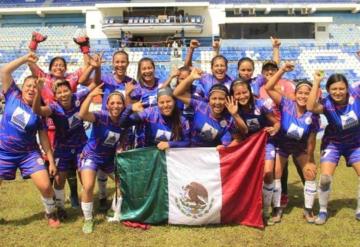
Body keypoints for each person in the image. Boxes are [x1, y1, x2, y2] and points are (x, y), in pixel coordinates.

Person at [27, 31, 94, 208]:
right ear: (50, 68)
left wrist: (84, 48)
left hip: (69, 128)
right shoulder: (44, 78)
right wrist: (34, 44)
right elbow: (30, 63)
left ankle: (73, 195)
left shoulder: (70, 82)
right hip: (49, 128)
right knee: (54, 165)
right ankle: (54, 199)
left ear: (65, 68)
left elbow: (86, 68)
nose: (58, 67)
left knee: (72, 164)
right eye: (55, 65)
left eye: (61, 65)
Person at [0, 53, 60, 227]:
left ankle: (50, 212)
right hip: (4, 152)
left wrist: (51, 161)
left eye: (35, 87)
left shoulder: (39, 111)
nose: (31, 89)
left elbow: (43, 138)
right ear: (22, 86)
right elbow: (4, 70)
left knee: (46, 187)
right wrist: (26, 59)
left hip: (28, 154)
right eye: (28, 85)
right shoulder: (12, 94)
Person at [32, 74, 98, 219]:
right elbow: (38, 111)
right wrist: (37, 93)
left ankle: (86, 207)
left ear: (71, 91)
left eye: (65, 91)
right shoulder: (54, 107)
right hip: (62, 148)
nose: (63, 94)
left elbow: (95, 84)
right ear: (55, 96)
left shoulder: (78, 97)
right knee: (59, 180)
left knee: (85, 178)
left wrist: (96, 68)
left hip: (81, 146)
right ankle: (61, 207)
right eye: (59, 92)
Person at [265, 62, 319, 224]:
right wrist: (282, 70)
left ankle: (308, 210)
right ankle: (277, 208)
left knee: (310, 174)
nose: (303, 96)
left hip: (300, 147)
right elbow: (268, 87)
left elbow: (311, 141)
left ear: (312, 96)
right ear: (295, 95)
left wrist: (310, 160)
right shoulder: (286, 103)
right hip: (281, 145)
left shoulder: (313, 115)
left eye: (307, 93)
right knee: (276, 175)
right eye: (300, 93)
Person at [307, 72, 360, 224]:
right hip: (333, 143)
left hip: (355, 143)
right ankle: (323, 211)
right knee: (325, 179)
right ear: (328, 90)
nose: (338, 92)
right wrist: (316, 81)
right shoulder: (327, 103)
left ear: (347, 88)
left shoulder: (356, 95)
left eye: (341, 89)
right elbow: (310, 106)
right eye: (334, 89)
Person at [78, 84, 130, 233]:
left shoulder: (123, 123)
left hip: (108, 159)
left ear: (123, 105)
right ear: (107, 105)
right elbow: (82, 114)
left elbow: (121, 143)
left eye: (119, 103)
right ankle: (88, 219)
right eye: (112, 103)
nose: (115, 106)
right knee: (88, 186)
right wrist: (90, 95)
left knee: (123, 184)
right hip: (92, 156)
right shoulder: (100, 116)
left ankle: (115, 210)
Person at [229, 78, 280, 225]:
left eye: (244, 92)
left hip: (265, 142)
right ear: (233, 95)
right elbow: (244, 130)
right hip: (248, 146)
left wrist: (274, 128)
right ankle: (246, 207)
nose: (242, 96)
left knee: (268, 174)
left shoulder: (261, 104)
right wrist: (235, 115)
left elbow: (276, 122)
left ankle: (265, 211)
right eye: (237, 94)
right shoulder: (233, 108)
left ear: (250, 92)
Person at [173, 68, 239, 147]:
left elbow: (238, 138)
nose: (217, 102)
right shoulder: (200, 105)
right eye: (214, 99)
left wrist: (225, 147)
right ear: (209, 100)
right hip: (191, 151)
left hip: (211, 155)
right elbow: (176, 94)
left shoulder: (229, 118)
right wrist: (191, 78)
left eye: (221, 99)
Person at [121, 87, 191, 149]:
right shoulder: (149, 113)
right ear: (157, 103)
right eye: (162, 102)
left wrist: (170, 144)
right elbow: (123, 124)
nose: (165, 105)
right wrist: (130, 108)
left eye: (168, 101)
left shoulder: (181, 119)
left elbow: (187, 142)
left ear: (174, 102)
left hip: (168, 157)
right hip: (147, 153)